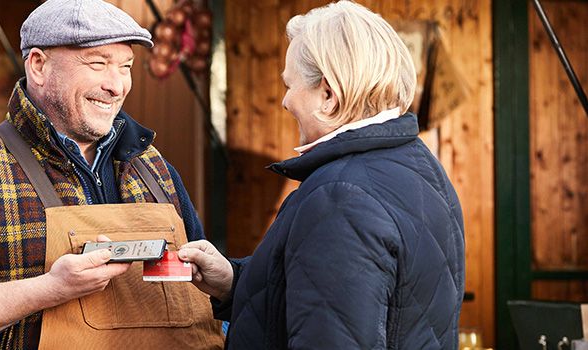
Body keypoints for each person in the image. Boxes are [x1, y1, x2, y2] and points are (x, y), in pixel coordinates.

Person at [0, 0, 223, 349]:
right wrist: (50, 289)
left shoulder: (156, 169)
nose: (117, 85)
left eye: (125, 67)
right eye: (97, 63)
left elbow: (200, 297)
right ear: (38, 66)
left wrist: (228, 280)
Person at [178, 1, 466, 349]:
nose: (285, 101)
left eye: (291, 85)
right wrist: (233, 281)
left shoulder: (340, 198)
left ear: (328, 95)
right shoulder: (419, 167)